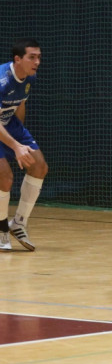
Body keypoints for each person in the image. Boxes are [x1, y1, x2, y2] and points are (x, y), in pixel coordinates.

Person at [0, 39, 47, 252]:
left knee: (39, 165)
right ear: (17, 59)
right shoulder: (2, 80)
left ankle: (18, 223)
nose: (37, 61)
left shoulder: (29, 78)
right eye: (32, 57)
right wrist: (16, 147)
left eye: (38, 57)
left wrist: (21, 143)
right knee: (4, 176)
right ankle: (1, 231)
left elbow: (20, 104)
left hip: (9, 124)